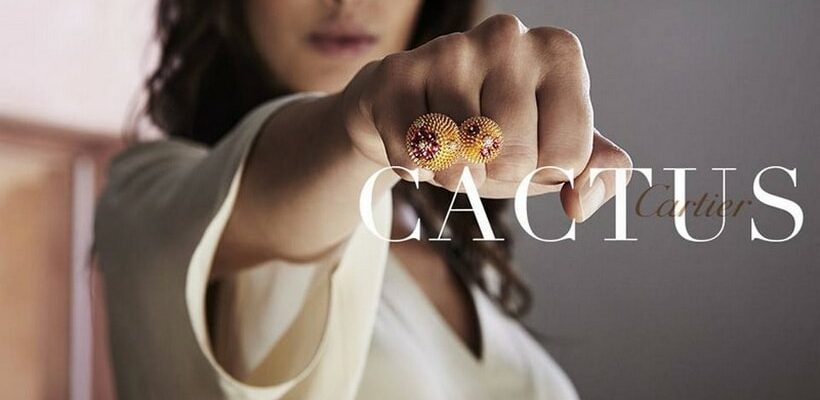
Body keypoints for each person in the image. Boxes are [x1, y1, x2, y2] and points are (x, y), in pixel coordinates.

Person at [94, 0, 632, 398]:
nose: (346, 2)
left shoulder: (451, 241)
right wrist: (363, 120)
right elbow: (277, 189)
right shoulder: (146, 197)